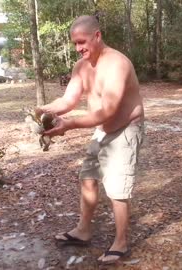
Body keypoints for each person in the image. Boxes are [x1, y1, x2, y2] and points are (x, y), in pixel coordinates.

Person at [36, 15, 145, 264]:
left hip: (125, 129)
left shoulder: (118, 64)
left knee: (117, 187)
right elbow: (67, 101)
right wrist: (42, 110)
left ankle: (121, 243)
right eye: (75, 44)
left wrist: (69, 125)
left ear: (97, 35)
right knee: (87, 177)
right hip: (102, 130)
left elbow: (108, 111)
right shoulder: (81, 66)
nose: (79, 48)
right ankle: (83, 231)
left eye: (82, 42)